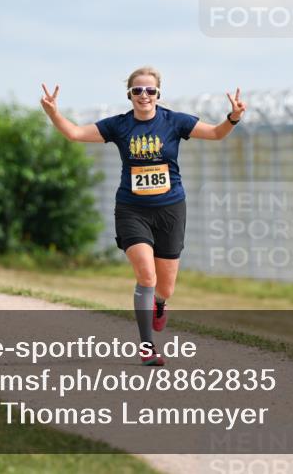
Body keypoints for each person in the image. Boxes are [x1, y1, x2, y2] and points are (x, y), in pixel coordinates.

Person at [40, 66, 246, 365]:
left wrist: (233, 118)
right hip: (131, 209)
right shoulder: (119, 125)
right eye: (138, 91)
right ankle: (147, 347)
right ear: (129, 95)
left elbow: (215, 133)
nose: (144, 95)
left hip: (170, 209)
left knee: (165, 287)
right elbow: (74, 133)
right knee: (146, 275)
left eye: (150, 91)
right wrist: (53, 113)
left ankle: (160, 303)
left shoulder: (174, 121)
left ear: (158, 94)